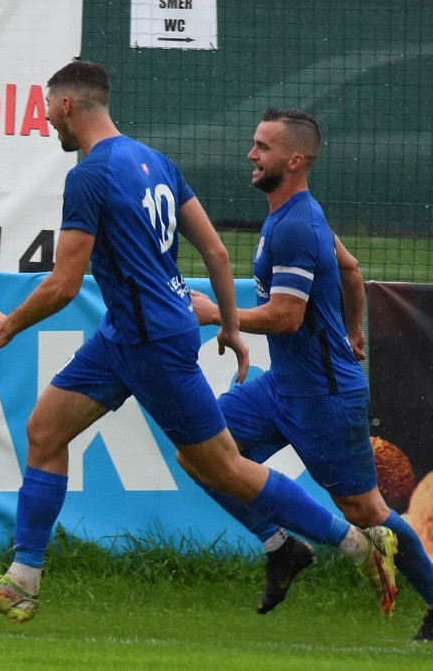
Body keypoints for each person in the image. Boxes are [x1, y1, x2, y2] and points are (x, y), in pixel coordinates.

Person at [0, 61, 397, 623]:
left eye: (48, 106)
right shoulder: (156, 161)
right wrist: (230, 327)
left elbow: (64, 283)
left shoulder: (88, 176)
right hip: (125, 334)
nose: (47, 117)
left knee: (224, 467)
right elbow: (217, 252)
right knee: (44, 431)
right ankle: (22, 582)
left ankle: (357, 544)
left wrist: (10, 325)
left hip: (151, 341)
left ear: (68, 106)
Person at [185, 109, 433, 641]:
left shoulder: (296, 225)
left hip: (324, 395)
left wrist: (218, 316)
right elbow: (351, 269)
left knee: (367, 510)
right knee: (199, 454)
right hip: (284, 386)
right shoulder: (294, 215)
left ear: (294, 160)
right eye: (254, 144)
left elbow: (286, 316)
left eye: (262, 147)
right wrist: (354, 331)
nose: (251, 155)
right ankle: (282, 548)